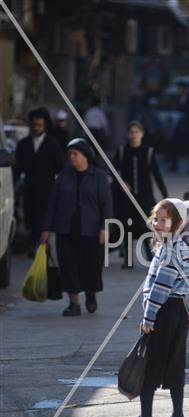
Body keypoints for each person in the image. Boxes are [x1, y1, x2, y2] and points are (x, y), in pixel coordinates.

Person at [121, 198, 189, 417]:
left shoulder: (170, 249)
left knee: (150, 364)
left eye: (164, 220)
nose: (158, 223)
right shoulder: (175, 245)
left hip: (165, 312)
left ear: (177, 223)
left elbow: (161, 288)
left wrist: (149, 318)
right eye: (156, 218)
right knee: (175, 364)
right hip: (179, 311)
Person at [41, 138, 113, 316]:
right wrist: (46, 229)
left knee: (91, 266)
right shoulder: (63, 176)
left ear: (85, 156)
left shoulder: (99, 177)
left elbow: (106, 204)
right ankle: (74, 303)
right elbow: (53, 204)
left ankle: (90, 294)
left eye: (75, 154)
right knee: (68, 266)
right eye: (70, 154)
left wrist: (105, 227)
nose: (72, 157)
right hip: (66, 229)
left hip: (91, 230)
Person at [112, 120, 168, 268]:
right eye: (131, 132)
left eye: (136, 132)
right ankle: (128, 260)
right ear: (128, 134)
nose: (134, 135)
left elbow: (157, 175)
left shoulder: (148, 152)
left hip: (145, 197)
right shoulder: (122, 151)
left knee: (146, 225)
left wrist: (165, 195)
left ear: (142, 134)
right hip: (126, 198)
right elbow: (112, 172)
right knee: (127, 226)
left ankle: (150, 256)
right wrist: (120, 182)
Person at [15, 107, 65, 256]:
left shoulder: (52, 145)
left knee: (43, 219)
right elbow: (17, 167)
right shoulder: (23, 144)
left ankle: (41, 246)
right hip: (29, 190)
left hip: (47, 190)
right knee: (30, 218)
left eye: (39, 125)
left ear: (45, 126)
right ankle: (34, 245)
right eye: (34, 125)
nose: (36, 128)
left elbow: (60, 168)